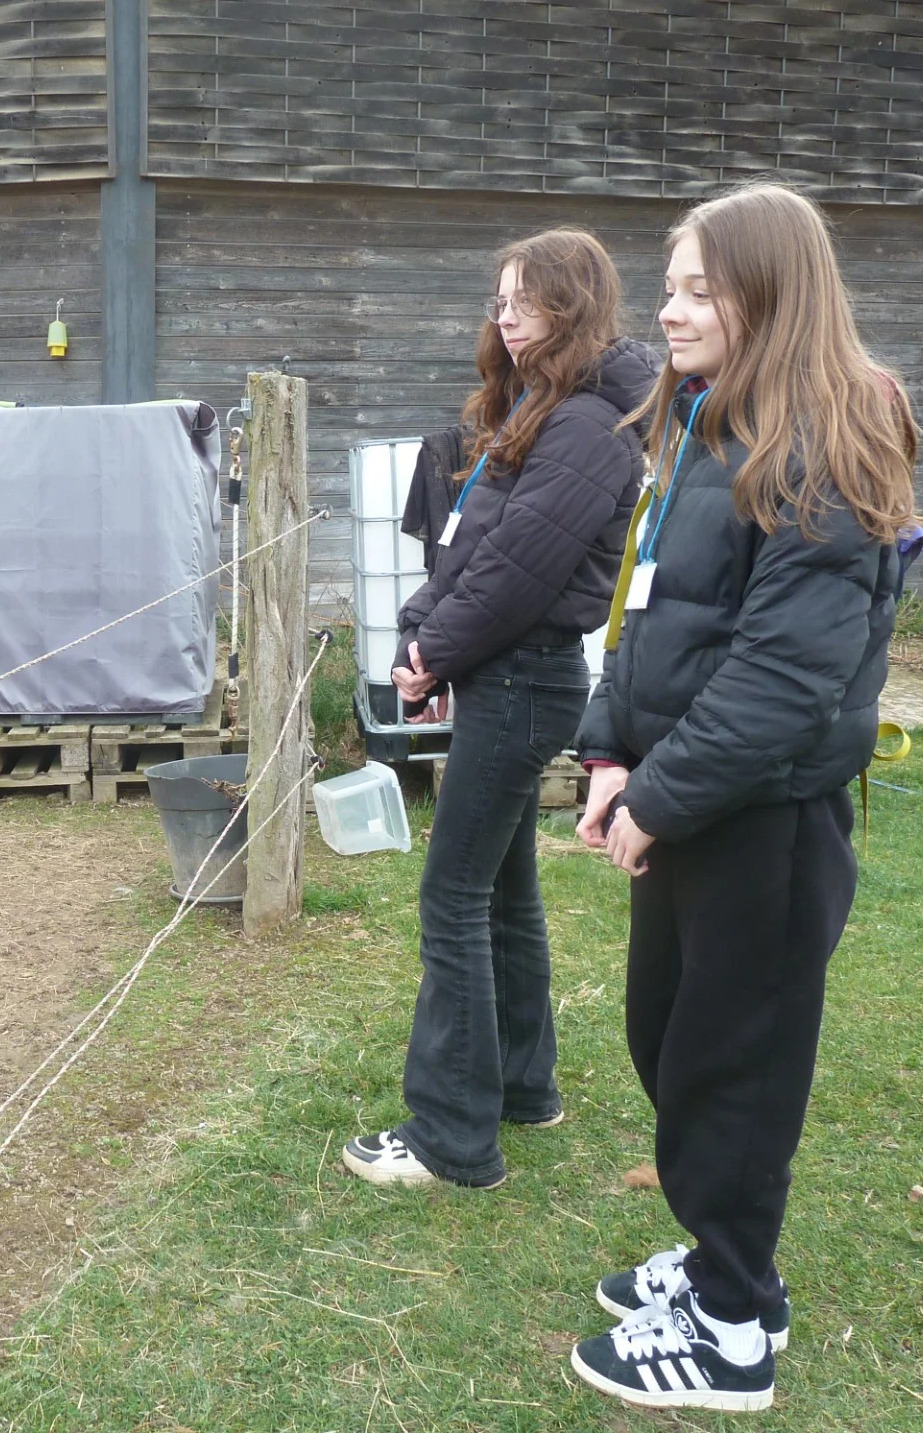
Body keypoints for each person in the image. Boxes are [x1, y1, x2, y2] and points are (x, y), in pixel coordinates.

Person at [568, 183, 922, 1412]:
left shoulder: (826, 442)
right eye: (668, 288)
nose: (667, 313)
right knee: (669, 1039)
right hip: (690, 800)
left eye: (698, 291)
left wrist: (658, 799)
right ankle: (727, 1263)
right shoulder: (711, 427)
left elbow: (782, 678)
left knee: (734, 1072)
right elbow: (652, 614)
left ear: (773, 295)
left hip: (761, 823)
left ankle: (731, 1332)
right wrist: (610, 755)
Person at [340, 229, 657, 1191]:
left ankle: (452, 1138)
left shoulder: (589, 424)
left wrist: (434, 651)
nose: (506, 318)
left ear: (574, 306)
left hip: (523, 681)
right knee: (505, 893)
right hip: (507, 676)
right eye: (501, 300)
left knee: (453, 899)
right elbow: (473, 546)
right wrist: (423, 636)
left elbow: (518, 572)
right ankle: (523, 1086)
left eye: (526, 302)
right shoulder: (546, 405)